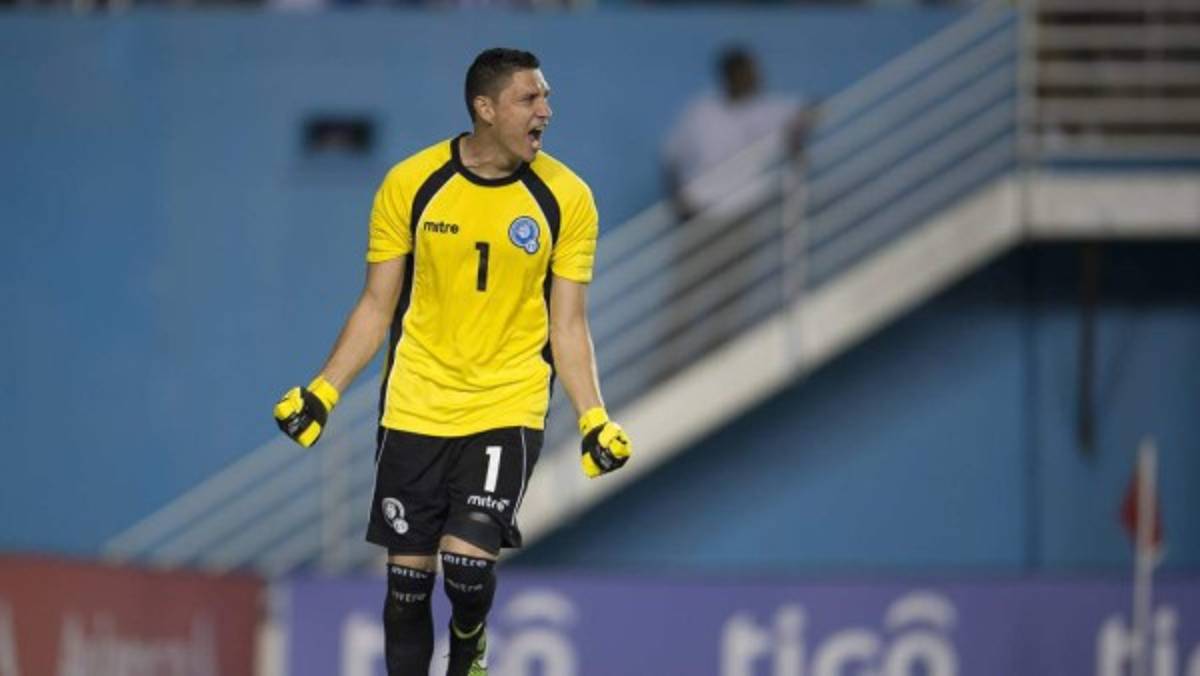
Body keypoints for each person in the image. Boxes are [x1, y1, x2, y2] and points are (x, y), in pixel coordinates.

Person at [272, 47, 632, 676]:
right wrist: (321, 393)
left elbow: (568, 325)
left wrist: (594, 418)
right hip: (416, 405)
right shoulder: (411, 185)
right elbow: (376, 307)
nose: (546, 110)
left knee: (467, 566)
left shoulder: (568, 199)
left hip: (507, 402)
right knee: (405, 591)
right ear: (484, 108)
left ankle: (470, 638)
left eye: (546, 97)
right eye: (530, 98)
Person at [662, 45, 815, 221]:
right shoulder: (700, 112)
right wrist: (677, 202)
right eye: (746, 73)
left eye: (754, 72)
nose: (754, 78)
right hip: (700, 210)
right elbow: (670, 157)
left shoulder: (767, 109)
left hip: (744, 211)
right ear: (729, 76)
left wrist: (796, 139)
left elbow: (811, 111)